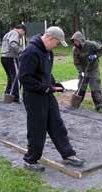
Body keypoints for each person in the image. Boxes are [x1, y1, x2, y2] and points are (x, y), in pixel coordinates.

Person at [18, 26, 84, 171]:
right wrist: (46, 87)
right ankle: (30, 160)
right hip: (34, 96)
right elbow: (24, 78)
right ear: (49, 38)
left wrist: (55, 84)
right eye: (57, 42)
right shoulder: (30, 52)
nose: (57, 45)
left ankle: (68, 154)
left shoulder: (48, 52)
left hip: (46, 94)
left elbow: (45, 73)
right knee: (37, 129)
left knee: (57, 124)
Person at [71, 31, 102, 113]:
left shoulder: (91, 44)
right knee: (81, 87)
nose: (75, 42)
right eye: (74, 41)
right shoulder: (75, 50)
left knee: (95, 87)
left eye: (76, 41)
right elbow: (76, 62)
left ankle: (99, 106)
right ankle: (76, 104)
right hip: (83, 70)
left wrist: (95, 56)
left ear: (80, 40)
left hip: (93, 69)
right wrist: (81, 71)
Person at [0, 24, 26, 103]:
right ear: (21, 30)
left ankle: (8, 95)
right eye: (23, 33)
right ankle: (16, 97)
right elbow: (13, 44)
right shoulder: (15, 33)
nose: (22, 36)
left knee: (11, 78)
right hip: (11, 58)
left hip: (4, 57)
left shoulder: (9, 33)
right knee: (17, 78)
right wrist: (21, 51)